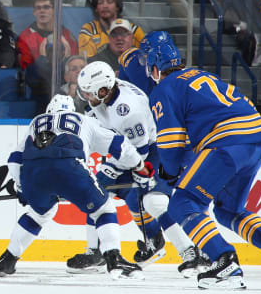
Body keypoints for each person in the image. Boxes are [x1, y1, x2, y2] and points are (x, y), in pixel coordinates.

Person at [142, 30, 261, 290]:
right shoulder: (201, 74)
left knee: (182, 203)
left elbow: (171, 141)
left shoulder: (164, 88)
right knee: (228, 210)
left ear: (155, 64)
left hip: (226, 142)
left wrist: (169, 172)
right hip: (254, 141)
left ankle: (224, 261)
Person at [72, 61, 208, 277]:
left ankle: (190, 252)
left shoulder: (128, 111)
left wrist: (112, 169)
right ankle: (100, 251)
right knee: (106, 195)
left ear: (103, 90)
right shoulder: (110, 93)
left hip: (153, 151)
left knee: (153, 201)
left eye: (89, 93)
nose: (86, 97)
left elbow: (140, 151)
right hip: (131, 150)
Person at [0, 94, 146, 279]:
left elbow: (14, 160)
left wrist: (22, 187)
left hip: (33, 174)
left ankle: (7, 260)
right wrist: (139, 166)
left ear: (48, 110)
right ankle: (114, 258)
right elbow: (120, 145)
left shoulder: (36, 122)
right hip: (69, 166)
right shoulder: (84, 120)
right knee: (103, 210)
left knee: (39, 214)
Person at [19, 0, 76, 112]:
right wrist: (42, 59)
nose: (42, 11)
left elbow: (75, 69)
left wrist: (67, 58)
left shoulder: (66, 35)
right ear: (34, 12)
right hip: (38, 91)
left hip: (64, 91)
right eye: (38, 8)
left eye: (46, 7)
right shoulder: (25, 37)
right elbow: (27, 73)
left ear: (54, 10)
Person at [78, 0, 145, 59]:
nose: (105, 6)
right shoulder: (89, 30)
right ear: (96, 8)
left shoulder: (133, 30)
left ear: (117, 7)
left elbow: (145, 57)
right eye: (100, 3)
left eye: (109, 2)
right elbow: (87, 61)